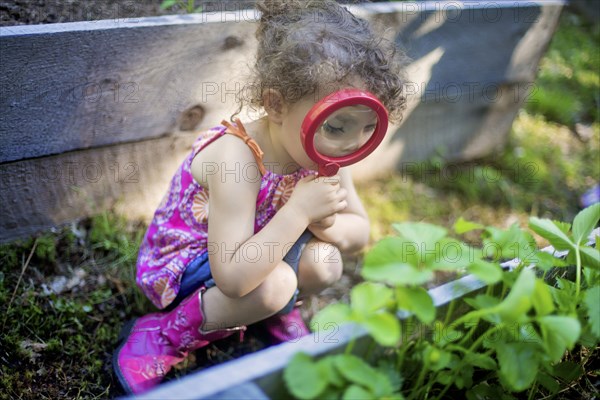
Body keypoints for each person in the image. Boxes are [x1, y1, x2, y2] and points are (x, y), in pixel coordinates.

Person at [113, 0, 407, 394]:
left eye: (368, 127)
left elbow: (358, 235)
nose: (354, 143)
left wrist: (327, 222)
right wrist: (299, 211)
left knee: (325, 262)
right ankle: (166, 333)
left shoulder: (326, 152)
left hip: (259, 253)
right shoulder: (238, 159)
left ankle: (270, 314)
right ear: (276, 105)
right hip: (194, 262)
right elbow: (233, 277)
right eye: (337, 126)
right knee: (274, 286)